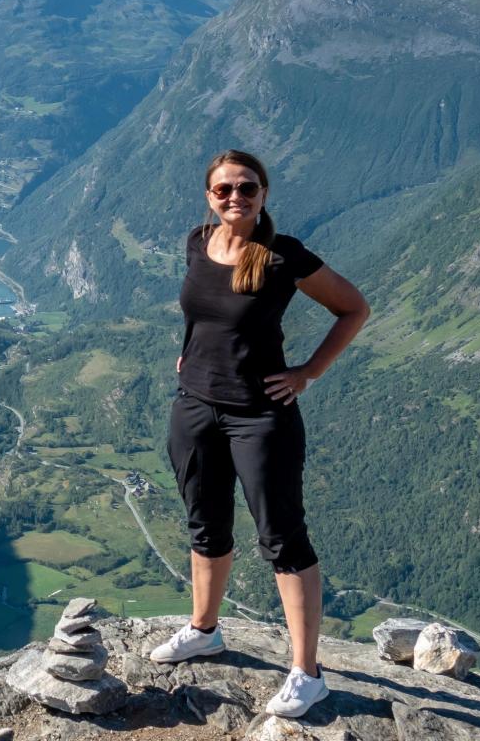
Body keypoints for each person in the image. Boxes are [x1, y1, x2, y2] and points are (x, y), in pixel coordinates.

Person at [146, 149, 370, 719]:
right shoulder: (198, 242)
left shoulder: (282, 255)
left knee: (282, 539)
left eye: (246, 188)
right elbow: (205, 314)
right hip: (194, 407)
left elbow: (353, 309)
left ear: (264, 194)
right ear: (209, 195)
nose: (235, 198)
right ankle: (203, 630)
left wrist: (307, 373)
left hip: (259, 417)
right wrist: (189, 353)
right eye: (224, 189)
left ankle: (307, 673)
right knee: (205, 523)